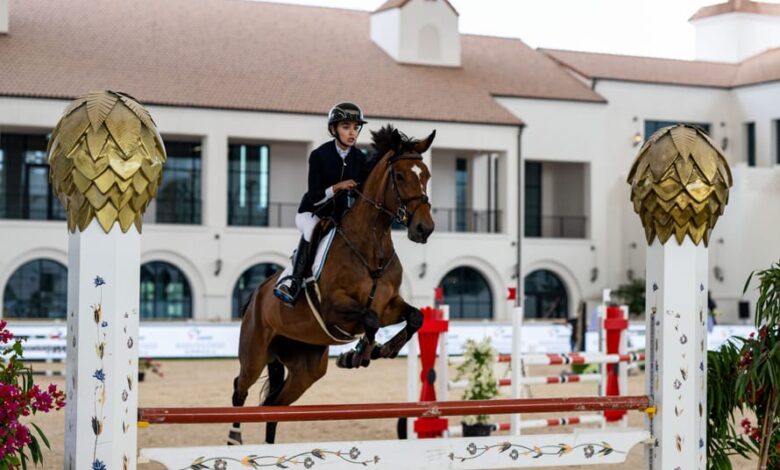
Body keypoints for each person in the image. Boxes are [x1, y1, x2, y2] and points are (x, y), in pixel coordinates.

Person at [273, 102, 368, 305]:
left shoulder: (360, 158)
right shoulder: (319, 155)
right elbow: (315, 195)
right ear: (334, 129)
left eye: (355, 128)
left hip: (339, 218)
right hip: (311, 212)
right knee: (313, 230)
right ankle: (290, 281)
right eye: (346, 127)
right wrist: (337, 187)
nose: (352, 133)